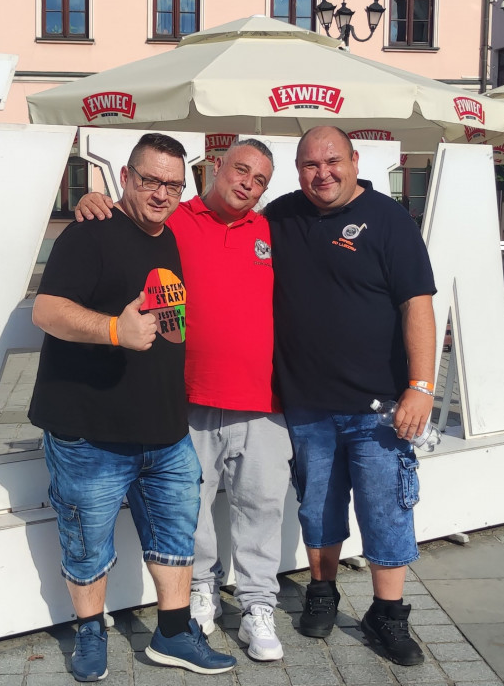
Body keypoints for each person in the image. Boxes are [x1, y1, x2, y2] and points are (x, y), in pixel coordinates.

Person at [29, 133, 236, 681]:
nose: (162, 193)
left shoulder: (173, 237)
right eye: (150, 180)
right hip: (89, 430)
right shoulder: (88, 233)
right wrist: (113, 330)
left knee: (176, 536)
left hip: (164, 428)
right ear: (125, 176)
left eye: (174, 184)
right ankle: (90, 631)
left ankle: (173, 633)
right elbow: (46, 311)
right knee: (87, 543)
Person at [74, 139, 291, 661]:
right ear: (215, 167)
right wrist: (92, 199)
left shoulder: (272, 229)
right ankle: (201, 591)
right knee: (189, 510)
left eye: (260, 180)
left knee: (262, 507)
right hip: (190, 395)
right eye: (240, 170)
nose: (248, 184)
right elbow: (129, 220)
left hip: (263, 398)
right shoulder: (174, 219)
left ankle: (258, 605)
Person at [264, 125, 436, 667]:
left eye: (332, 161)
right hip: (307, 402)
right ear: (298, 170)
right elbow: (214, 227)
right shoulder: (279, 216)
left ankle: (388, 613)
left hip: (379, 408)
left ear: (355, 160)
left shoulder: (389, 220)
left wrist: (421, 386)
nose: (323, 174)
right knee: (318, 506)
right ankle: (323, 591)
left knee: (386, 511)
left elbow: (417, 305)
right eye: (311, 165)